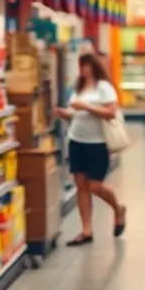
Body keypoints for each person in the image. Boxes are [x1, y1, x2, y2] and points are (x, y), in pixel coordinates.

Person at [55, 53, 128, 246]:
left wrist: (86, 106)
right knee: (81, 185)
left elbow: (111, 113)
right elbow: (76, 114)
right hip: (76, 140)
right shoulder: (79, 88)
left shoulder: (104, 87)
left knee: (95, 185)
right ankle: (86, 230)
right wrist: (65, 113)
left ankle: (118, 208)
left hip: (97, 143)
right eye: (81, 66)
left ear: (94, 66)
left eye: (86, 65)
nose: (83, 70)